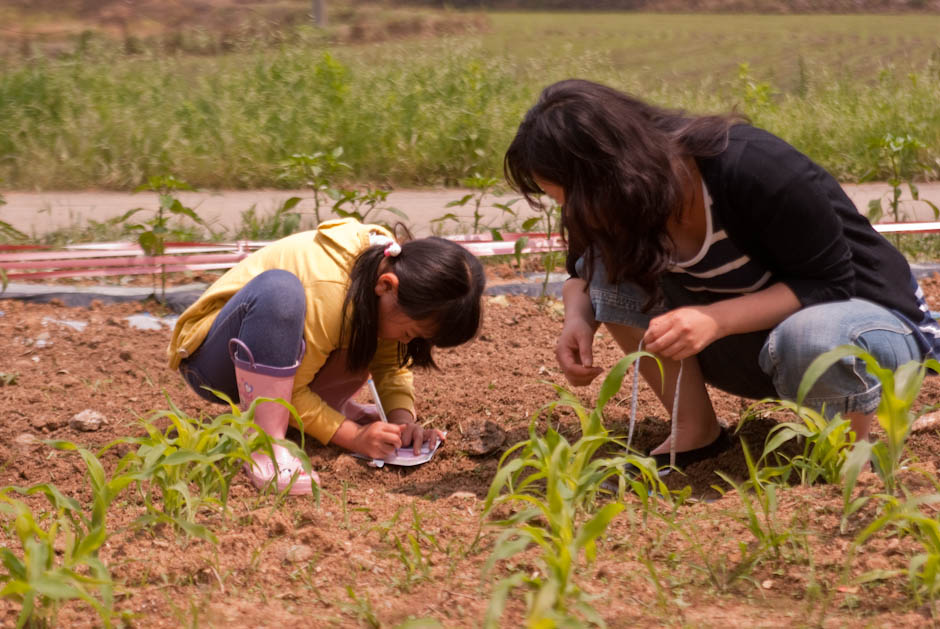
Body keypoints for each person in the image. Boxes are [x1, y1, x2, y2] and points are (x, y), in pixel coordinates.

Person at [504, 78, 940, 469]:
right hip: (756, 347)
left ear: (614, 174)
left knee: (811, 334)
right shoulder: (622, 207)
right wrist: (578, 318)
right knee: (613, 269)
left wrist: (715, 320)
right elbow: (586, 268)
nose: (570, 213)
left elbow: (828, 283)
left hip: (868, 336)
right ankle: (696, 432)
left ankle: (844, 459)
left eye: (571, 200)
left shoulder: (752, 168)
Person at [167, 218, 485, 494]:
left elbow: (390, 364)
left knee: (368, 335)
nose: (407, 340)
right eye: (409, 333)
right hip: (212, 358)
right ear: (388, 286)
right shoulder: (330, 288)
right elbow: (293, 392)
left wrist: (402, 422)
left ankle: (321, 413)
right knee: (280, 292)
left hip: (282, 362)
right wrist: (355, 436)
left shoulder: (390, 279)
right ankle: (265, 443)